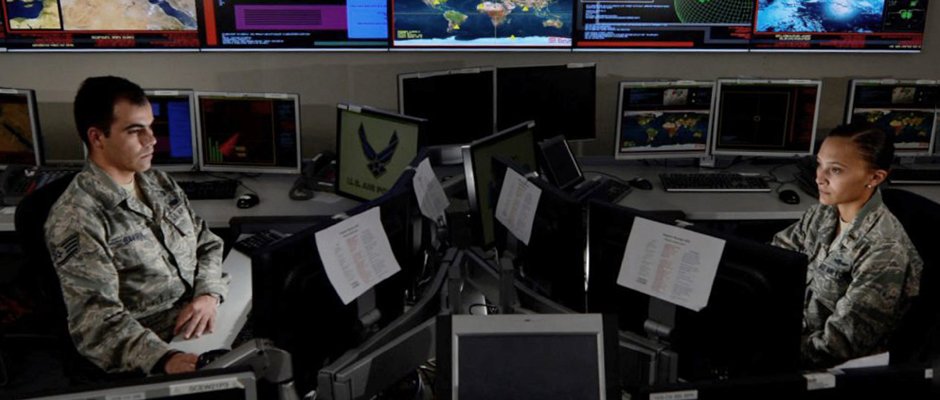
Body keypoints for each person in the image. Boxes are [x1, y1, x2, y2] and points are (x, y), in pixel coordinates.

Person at [44, 76, 228, 375]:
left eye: (150, 127)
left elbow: (207, 242)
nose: (151, 140)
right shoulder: (78, 218)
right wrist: (165, 359)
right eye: (135, 131)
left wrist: (208, 294)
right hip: (158, 350)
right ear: (97, 137)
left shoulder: (157, 182)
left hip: (205, 316)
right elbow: (97, 324)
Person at [771, 122, 923, 369]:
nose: (819, 178)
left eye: (836, 170)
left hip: (830, 369)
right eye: (819, 164)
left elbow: (839, 346)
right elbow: (774, 259)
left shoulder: (884, 250)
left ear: (875, 177)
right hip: (793, 335)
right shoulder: (823, 213)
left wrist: (769, 349)